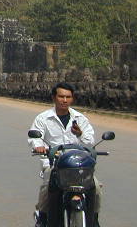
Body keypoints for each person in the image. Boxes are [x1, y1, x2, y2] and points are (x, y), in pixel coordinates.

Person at [28, 82, 102, 227]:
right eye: (61, 96)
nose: (64, 100)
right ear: (54, 98)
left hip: (78, 166)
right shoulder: (43, 118)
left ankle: (94, 219)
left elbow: (89, 141)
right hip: (55, 165)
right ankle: (43, 219)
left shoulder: (80, 119)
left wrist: (80, 133)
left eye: (68, 97)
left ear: (72, 99)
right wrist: (39, 147)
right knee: (46, 189)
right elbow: (35, 137)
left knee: (96, 187)